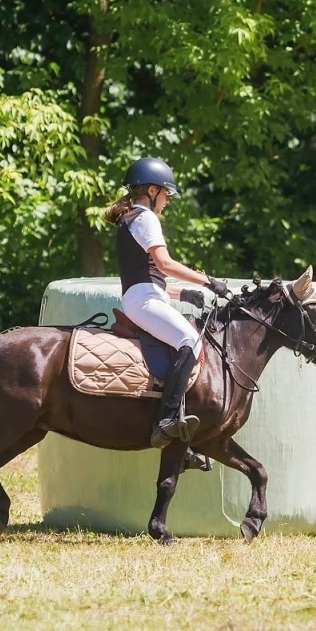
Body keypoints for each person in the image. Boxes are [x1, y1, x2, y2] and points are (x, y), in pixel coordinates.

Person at [104, 157, 229, 447]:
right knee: (191, 339)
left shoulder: (131, 217)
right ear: (151, 191)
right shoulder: (146, 218)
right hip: (144, 302)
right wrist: (207, 281)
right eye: (166, 193)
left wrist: (183, 295)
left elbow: (148, 278)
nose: (167, 200)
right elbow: (164, 264)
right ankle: (167, 420)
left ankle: (183, 425)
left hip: (143, 297)